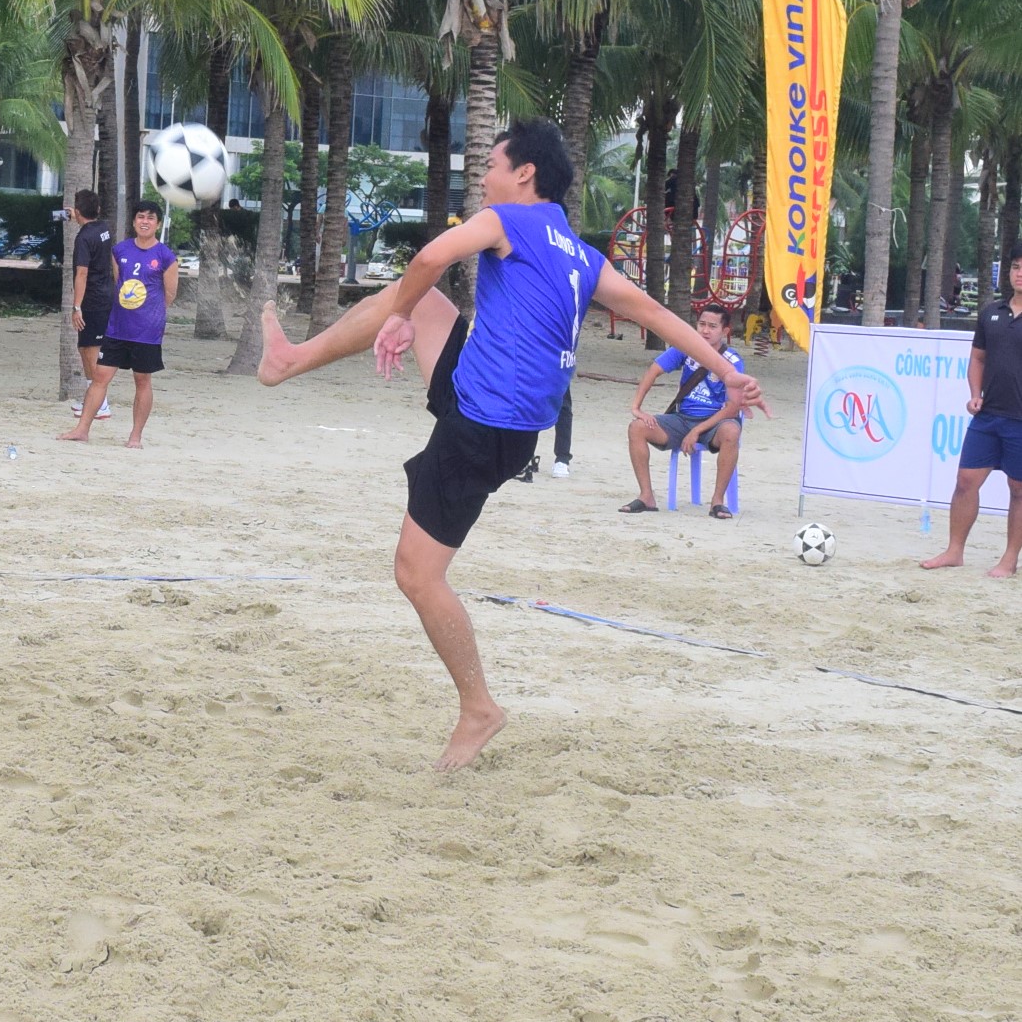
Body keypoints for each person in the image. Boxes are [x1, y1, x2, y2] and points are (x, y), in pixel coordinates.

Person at [256, 120, 767, 772]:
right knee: (426, 304)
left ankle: (478, 706)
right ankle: (289, 359)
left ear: (524, 173)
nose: (484, 175)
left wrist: (397, 319)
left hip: (481, 422)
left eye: (492, 164)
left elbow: (430, 256)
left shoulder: (505, 221)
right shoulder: (583, 255)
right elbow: (658, 314)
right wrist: (727, 371)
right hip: (508, 419)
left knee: (416, 572)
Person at [922, 248, 1022, 578]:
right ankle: (954, 551)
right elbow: (977, 358)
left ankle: (1009, 559)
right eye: (1015, 267)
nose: (1019, 273)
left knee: (1019, 489)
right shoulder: (991, 312)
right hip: (988, 414)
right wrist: (974, 395)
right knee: (965, 481)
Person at [59, 200, 178, 448]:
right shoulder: (120, 250)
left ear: (157, 223)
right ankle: (82, 429)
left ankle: (135, 436)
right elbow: (118, 282)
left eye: (150, 218)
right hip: (117, 327)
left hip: (147, 331)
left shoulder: (166, 256)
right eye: (140, 217)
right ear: (134, 221)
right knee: (100, 376)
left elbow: (169, 294)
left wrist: (150, 315)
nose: (145, 222)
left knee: (142, 380)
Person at [618, 303, 747, 519]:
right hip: (681, 418)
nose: (705, 330)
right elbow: (654, 371)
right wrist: (636, 407)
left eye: (712, 326)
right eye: (701, 324)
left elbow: (732, 408)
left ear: (725, 332)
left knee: (732, 432)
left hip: (715, 423)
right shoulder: (684, 349)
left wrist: (698, 431)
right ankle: (646, 496)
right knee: (637, 428)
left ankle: (717, 501)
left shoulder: (733, 361)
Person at [67, 189, 116, 420]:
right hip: (104, 295)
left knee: (92, 351)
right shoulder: (103, 228)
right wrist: (74, 215)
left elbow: (82, 273)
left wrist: (77, 307)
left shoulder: (84, 238)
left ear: (78, 212)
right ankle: (94, 397)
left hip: (93, 301)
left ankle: (101, 403)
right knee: (84, 348)